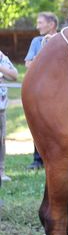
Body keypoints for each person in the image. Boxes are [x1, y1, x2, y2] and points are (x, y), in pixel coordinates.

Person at [25, 11, 58, 170]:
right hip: (41, 92)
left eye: (40, 23)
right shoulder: (36, 41)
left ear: (51, 24)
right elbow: (28, 64)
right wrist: (44, 49)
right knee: (40, 124)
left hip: (59, 92)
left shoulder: (63, 40)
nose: (37, 26)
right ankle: (38, 159)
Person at [0, 50, 18, 182]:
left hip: (1, 107)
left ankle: (1, 172)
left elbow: (14, 75)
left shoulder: (1, 57)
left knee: (1, 141)